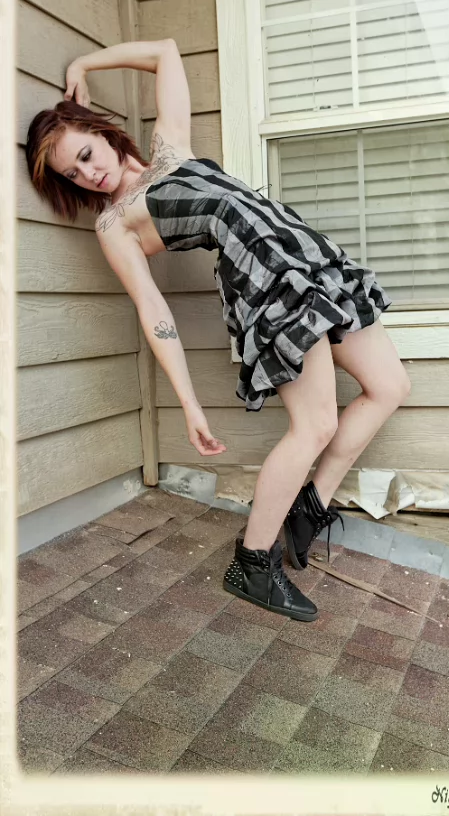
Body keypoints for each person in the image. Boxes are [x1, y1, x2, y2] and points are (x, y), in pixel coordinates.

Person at [26, 39, 411, 623]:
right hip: (266, 282)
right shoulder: (115, 224)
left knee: (389, 386)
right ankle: (252, 563)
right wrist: (189, 405)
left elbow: (165, 53)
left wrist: (82, 64)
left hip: (306, 255)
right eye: (72, 173)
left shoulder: (168, 150)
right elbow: (154, 311)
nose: (89, 173)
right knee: (315, 425)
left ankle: (308, 507)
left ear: (100, 131)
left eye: (85, 153)